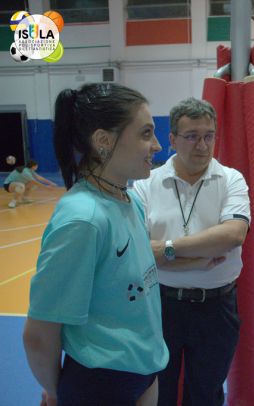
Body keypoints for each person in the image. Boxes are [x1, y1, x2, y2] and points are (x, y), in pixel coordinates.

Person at [22, 83, 168, 406]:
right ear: (103, 141)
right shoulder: (83, 219)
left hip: (144, 369)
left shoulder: (129, 200)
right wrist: (58, 391)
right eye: (145, 134)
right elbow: (39, 334)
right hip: (100, 383)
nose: (157, 145)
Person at [133, 97, 250, 406]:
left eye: (209, 136)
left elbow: (233, 235)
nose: (202, 145)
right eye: (192, 136)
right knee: (158, 392)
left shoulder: (231, 179)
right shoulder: (146, 184)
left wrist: (167, 250)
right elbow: (138, 253)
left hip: (216, 307)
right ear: (172, 139)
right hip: (161, 306)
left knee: (206, 394)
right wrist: (193, 261)